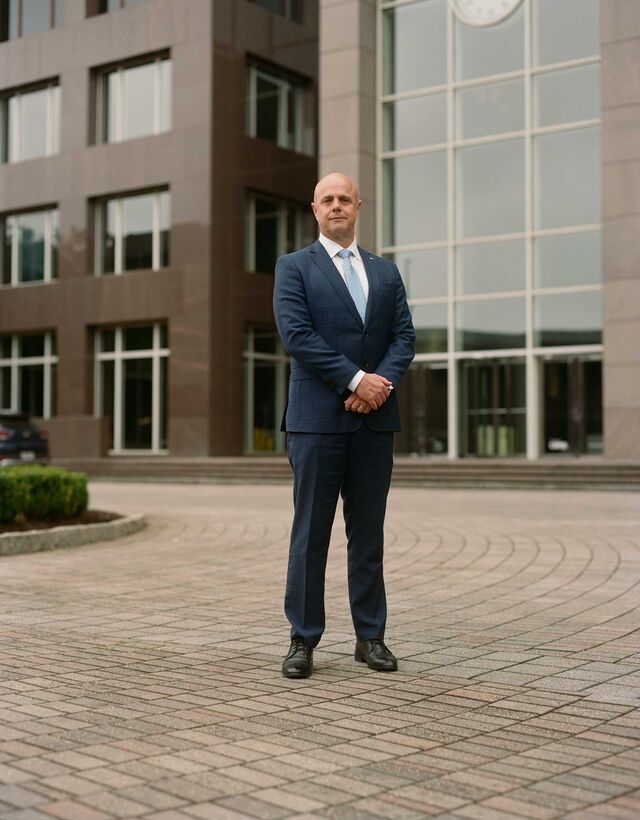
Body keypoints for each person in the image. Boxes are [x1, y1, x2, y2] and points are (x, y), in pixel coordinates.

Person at [273, 172, 415, 678]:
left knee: (368, 536)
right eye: (327, 200)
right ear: (314, 209)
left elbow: (403, 337)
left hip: (374, 424)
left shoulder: (386, 273)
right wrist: (357, 380)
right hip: (316, 424)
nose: (336, 206)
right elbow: (297, 335)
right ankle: (302, 639)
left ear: (358, 207)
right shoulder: (294, 267)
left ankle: (370, 637)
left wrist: (380, 386)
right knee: (310, 535)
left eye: (344, 199)